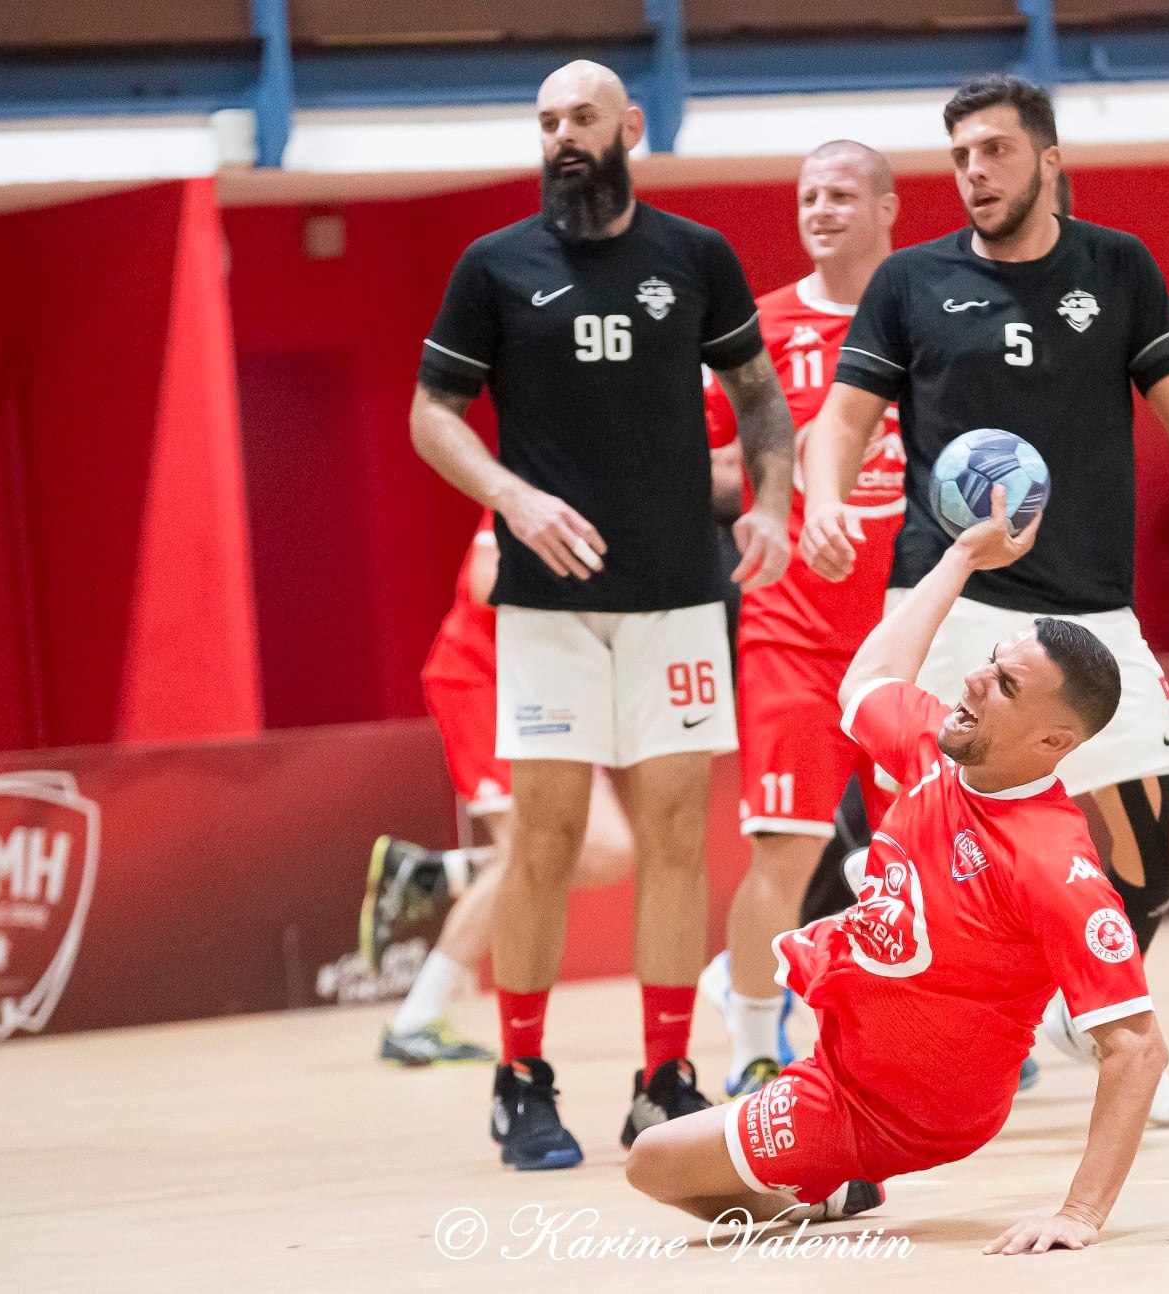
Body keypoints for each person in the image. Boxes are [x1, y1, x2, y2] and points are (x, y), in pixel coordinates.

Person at [799, 74, 1169, 1126]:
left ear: (1048, 160)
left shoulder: (1118, 267)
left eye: (996, 152)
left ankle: (1084, 1011)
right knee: (938, 832)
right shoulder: (908, 283)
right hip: (952, 590)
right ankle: (908, 1066)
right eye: (959, 157)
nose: (974, 174)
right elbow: (844, 417)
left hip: (1089, 604)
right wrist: (820, 497)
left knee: (1156, 833)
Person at [409, 60, 795, 1171]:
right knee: (545, 841)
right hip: (549, 607)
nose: (562, 136)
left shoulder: (696, 256)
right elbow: (431, 412)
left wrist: (768, 504)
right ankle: (520, 1077)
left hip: (677, 593)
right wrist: (510, 497)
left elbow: (759, 392)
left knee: (677, 839)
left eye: (581, 117)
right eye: (546, 122)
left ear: (629, 124)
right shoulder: (495, 267)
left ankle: (663, 1077)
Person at [626, 495, 1169, 1255]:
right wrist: (958, 560)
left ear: (1054, 739)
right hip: (843, 1060)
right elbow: (872, 675)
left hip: (900, 1110)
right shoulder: (935, 750)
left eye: (1007, 686)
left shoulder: (1054, 864)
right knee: (672, 1164)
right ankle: (831, 1186)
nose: (976, 683)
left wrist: (1078, 1214)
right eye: (988, 665)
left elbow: (1138, 1048)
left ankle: (824, 1184)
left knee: (651, 1164)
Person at [698, 140, 908, 1098]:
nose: (819, 209)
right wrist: (773, 491)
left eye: (839, 194)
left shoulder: (929, 316)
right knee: (784, 848)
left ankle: (942, 1025)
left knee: (923, 851)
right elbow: (701, 465)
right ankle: (749, 1046)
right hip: (791, 631)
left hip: (907, 634)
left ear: (887, 207)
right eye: (806, 197)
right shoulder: (764, 329)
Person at [361, 513, 636, 1066]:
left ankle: (440, 875)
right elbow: (484, 584)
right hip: (486, 683)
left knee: (610, 851)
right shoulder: (536, 484)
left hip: (560, 691)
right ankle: (416, 1018)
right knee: (523, 856)